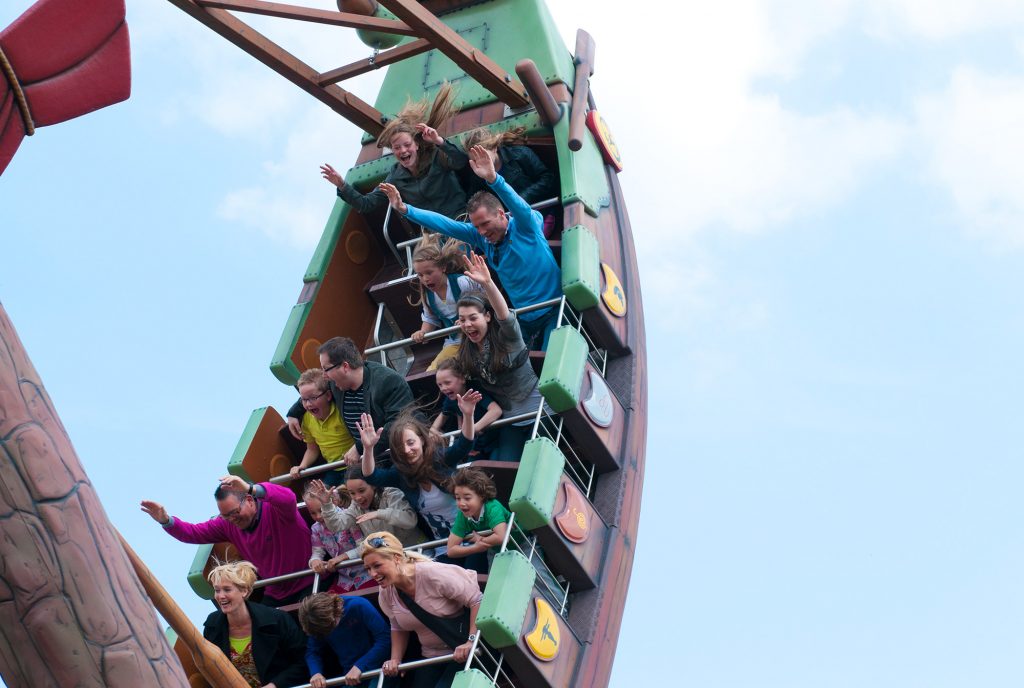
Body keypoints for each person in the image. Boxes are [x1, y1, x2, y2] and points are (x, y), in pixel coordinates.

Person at [379, 145, 561, 350]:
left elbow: (517, 204)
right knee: (513, 361)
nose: (481, 232)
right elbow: (444, 224)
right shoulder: (481, 237)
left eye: (485, 224)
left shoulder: (525, 227)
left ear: (501, 215)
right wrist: (405, 209)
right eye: (477, 226)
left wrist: (494, 179)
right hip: (522, 315)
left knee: (549, 355)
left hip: (552, 308)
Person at [141, 475, 313, 606]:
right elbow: (192, 533)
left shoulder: (277, 510)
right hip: (276, 591)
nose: (232, 519)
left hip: (308, 579)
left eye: (235, 512)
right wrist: (166, 520)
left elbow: (288, 497)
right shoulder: (227, 525)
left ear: (249, 500)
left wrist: (250, 487)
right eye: (226, 516)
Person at [320, 83, 468, 220]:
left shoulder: (437, 157)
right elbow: (366, 204)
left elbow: (462, 162)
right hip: (435, 234)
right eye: (397, 148)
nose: (403, 151)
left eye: (407, 145)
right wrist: (342, 185)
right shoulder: (395, 178)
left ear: (416, 145)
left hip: (459, 220)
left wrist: (439, 141)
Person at [451, 251, 543, 461]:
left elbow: (505, 316)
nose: (467, 324)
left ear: (487, 316)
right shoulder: (468, 351)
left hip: (538, 411)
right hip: (510, 419)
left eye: (473, 318)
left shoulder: (508, 337)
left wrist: (488, 284)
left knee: (536, 460)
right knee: (504, 463)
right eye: (462, 320)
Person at [357, 389, 479, 543]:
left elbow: (464, 445)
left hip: (471, 534)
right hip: (443, 543)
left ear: (421, 440)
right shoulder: (400, 473)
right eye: (401, 447)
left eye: (411, 443)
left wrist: (468, 415)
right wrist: (368, 449)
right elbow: (371, 476)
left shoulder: (440, 458)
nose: (407, 450)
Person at [362, 532, 482, 688]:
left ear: (396, 559)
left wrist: (470, 641)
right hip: (431, 656)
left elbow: (477, 600)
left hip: (465, 650)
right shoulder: (385, 592)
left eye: (377, 566)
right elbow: (397, 626)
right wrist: (395, 659)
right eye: (368, 568)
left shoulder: (432, 573)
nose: (372, 573)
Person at [286, 336, 415, 461]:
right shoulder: (335, 384)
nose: (324, 376)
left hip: (396, 454)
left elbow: (398, 424)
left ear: (345, 367)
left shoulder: (388, 382)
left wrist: (360, 448)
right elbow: (314, 394)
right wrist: (293, 414)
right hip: (365, 460)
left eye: (326, 369)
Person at [202, 561, 308, 688]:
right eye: (217, 590)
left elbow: (302, 662)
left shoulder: (278, 620)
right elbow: (211, 671)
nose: (220, 596)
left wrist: (275, 685)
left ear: (244, 591)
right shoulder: (212, 626)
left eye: (227, 589)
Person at [306, 474, 425, 559]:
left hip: (417, 552)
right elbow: (336, 525)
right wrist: (326, 504)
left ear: (373, 485)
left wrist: (379, 513)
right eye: (352, 493)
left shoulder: (390, 494)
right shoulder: (355, 506)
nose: (357, 497)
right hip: (392, 559)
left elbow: (410, 520)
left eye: (362, 490)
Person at [408, 235, 482, 371]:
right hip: (456, 342)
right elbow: (430, 318)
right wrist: (423, 332)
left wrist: (467, 319)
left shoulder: (462, 282)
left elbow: (483, 301)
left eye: (429, 272)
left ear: (443, 267)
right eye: (420, 275)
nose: (425, 278)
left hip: (480, 336)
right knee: (433, 372)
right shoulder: (427, 295)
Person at [298, 592, 392, 688]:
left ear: (335, 612)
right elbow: (312, 651)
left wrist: (361, 665)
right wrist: (316, 673)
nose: (331, 630)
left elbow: (385, 639)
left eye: (331, 626)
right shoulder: (316, 623)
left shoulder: (358, 605)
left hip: (382, 667)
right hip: (350, 677)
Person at [458, 126, 557, 205]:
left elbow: (547, 179)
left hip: (540, 208)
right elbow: (473, 200)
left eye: (482, 156)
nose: (479, 163)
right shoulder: (478, 176)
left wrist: (524, 197)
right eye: (474, 160)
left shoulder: (520, 155)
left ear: (494, 149)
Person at [304, 483, 374, 593]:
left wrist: (341, 558)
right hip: (344, 580)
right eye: (313, 513)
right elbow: (317, 551)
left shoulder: (348, 518)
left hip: (367, 572)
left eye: (321, 510)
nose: (318, 516)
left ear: (333, 502)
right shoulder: (316, 529)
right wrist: (315, 561)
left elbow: (364, 546)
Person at [290, 367, 355, 486]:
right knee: (320, 496)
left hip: (355, 463)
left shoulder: (342, 411)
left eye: (313, 398)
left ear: (328, 396)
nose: (308, 404)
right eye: (304, 400)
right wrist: (302, 466)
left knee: (345, 491)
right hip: (334, 468)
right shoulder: (307, 420)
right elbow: (312, 449)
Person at [430, 358, 502, 459]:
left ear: (462, 379)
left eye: (447, 383)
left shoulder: (473, 391)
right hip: (476, 446)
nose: (443, 388)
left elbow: (496, 410)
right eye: (440, 385)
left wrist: (474, 428)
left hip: (495, 441)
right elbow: (442, 416)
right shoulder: (450, 400)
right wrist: (433, 430)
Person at [445, 467, 509, 566]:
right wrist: (476, 547)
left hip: (523, 544)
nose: (461, 503)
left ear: (481, 495)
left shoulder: (492, 507)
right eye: (458, 498)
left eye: (467, 498)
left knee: (537, 577)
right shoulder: (463, 515)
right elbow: (450, 550)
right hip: (496, 550)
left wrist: (481, 540)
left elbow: (502, 536)